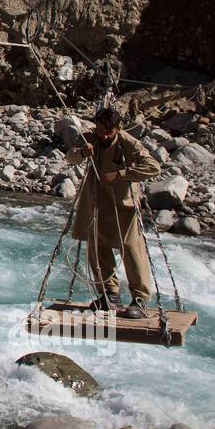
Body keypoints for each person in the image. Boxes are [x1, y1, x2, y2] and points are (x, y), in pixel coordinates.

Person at [65, 107, 161, 319]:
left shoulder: (129, 143)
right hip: (96, 201)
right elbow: (69, 158)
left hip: (122, 204)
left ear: (118, 129)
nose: (104, 135)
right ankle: (109, 294)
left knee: (131, 249)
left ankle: (140, 299)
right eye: (100, 130)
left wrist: (122, 174)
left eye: (109, 132)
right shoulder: (90, 138)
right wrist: (82, 153)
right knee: (97, 247)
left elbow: (153, 167)